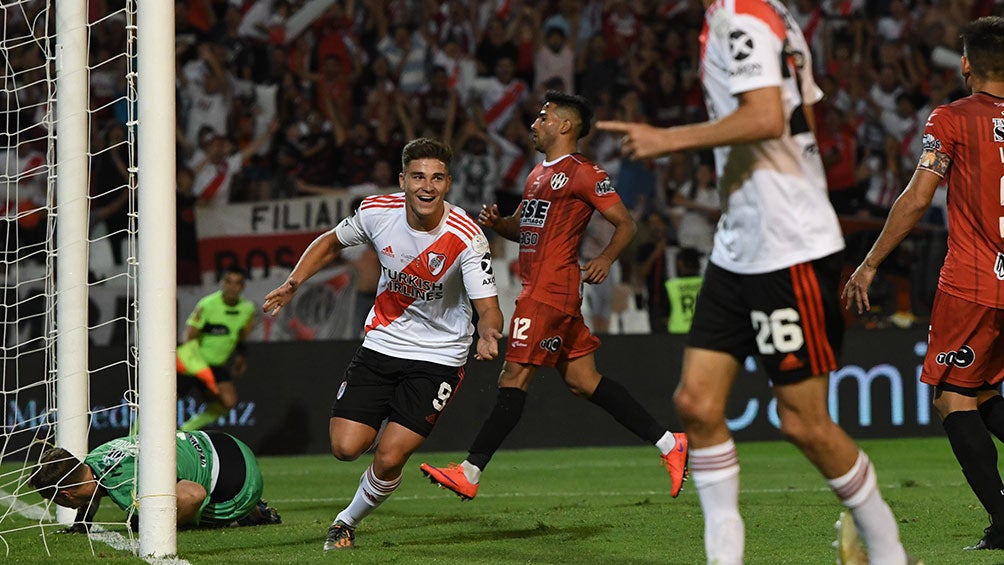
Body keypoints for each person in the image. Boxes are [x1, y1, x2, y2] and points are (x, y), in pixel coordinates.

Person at [596, 1, 909, 563]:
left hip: (787, 247)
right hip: (740, 244)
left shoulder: (741, 17)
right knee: (695, 402)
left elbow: (766, 116)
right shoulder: (773, 14)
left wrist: (667, 140)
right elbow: (803, 113)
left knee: (804, 423)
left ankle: (889, 552)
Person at [420, 91, 689, 501]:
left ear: (565, 125)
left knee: (513, 378)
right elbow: (527, 230)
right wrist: (501, 224)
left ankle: (470, 471)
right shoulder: (536, 175)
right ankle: (672, 444)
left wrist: (605, 258)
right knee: (584, 382)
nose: (534, 123)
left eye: (543, 117)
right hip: (544, 289)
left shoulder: (583, 172)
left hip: (549, 292)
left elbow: (625, 223)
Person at [261, 138, 504, 551]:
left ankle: (345, 521)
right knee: (345, 447)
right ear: (402, 180)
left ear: (448, 184)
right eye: (418, 177)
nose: (427, 187)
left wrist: (487, 333)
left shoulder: (466, 235)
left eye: (437, 178)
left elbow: (490, 307)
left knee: (390, 458)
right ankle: (383, 430)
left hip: (439, 356)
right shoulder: (377, 212)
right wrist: (293, 282)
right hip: (383, 344)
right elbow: (329, 242)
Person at [843, 16, 1004, 551]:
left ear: (965, 65)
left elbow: (916, 197)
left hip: (975, 283)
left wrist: (869, 263)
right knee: (978, 392)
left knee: (952, 400)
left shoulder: (951, 118)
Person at [30, 431, 280, 529]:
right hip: (223, 441)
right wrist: (82, 523)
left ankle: (249, 513)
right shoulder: (96, 457)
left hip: (241, 483)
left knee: (155, 517)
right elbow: (91, 488)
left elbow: (195, 494)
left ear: (65, 495)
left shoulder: (126, 490)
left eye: (55, 500)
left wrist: (155, 528)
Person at [177, 266, 256, 432]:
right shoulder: (207, 305)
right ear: (222, 283)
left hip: (215, 365)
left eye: (237, 283)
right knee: (165, 402)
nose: (232, 287)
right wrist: (193, 363)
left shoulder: (247, 310)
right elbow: (188, 336)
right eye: (228, 282)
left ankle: (185, 430)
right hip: (193, 362)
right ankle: (134, 435)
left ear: (242, 287)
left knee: (228, 402)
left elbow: (242, 336)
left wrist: (242, 356)